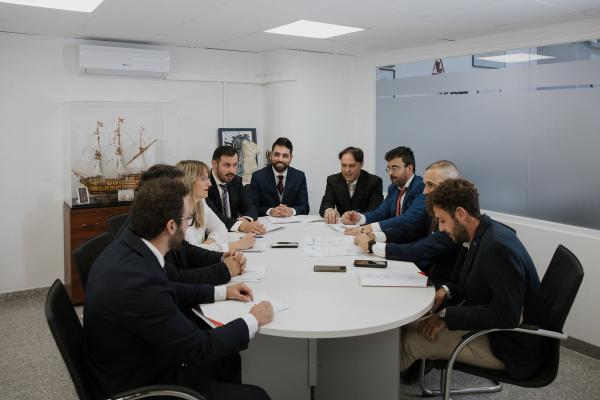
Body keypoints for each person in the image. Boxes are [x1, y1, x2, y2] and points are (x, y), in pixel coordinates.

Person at [84, 178, 273, 399]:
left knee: (228, 358)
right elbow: (199, 348)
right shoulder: (139, 281)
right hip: (141, 383)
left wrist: (221, 292)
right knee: (257, 395)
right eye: (188, 219)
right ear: (171, 226)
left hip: (136, 353)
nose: (188, 225)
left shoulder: (131, 246)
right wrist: (253, 319)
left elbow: (169, 288)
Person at [400, 178, 544, 380]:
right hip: (491, 330)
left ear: (460, 214)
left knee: (410, 342)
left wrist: (446, 317)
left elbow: (507, 315)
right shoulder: (479, 235)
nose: (440, 228)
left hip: (508, 346)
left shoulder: (497, 247)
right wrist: (446, 291)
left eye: (442, 220)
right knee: (405, 327)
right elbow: (468, 281)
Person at [116, 164, 246, 285]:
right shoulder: (142, 251)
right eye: (182, 190)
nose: (186, 194)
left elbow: (186, 250)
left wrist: (221, 258)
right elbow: (176, 280)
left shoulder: (155, 221)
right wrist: (225, 270)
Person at [353, 160, 462, 287]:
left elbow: (418, 250)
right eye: (425, 184)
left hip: (437, 285)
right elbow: (412, 231)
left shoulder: (455, 219)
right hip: (418, 271)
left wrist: (372, 246)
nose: (425, 191)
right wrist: (376, 236)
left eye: (431, 185)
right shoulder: (434, 207)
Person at [342, 146, 428, 244]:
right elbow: (380, 213)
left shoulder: (421, 187)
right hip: (394, 239)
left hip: (414, 244)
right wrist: (359, 218)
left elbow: (408, 218)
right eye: (388, 168)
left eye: (395, 168)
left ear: (409, 168)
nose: (390, 173)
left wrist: (369, 228)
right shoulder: (393, 188)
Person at [177, 160, 256, 252]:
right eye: (203, 179)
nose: (209, 184)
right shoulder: (177, 213)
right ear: (188, 181)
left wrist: (208, 244)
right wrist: (236, 245)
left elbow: (220, 227)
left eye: (208, 179)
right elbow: (190, 253)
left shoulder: (200, 202)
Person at [206, 146, 265, 234]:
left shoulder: (235, 180)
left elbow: (249, 206)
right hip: (213, 235)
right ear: (214, 164)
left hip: (233, 233)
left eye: (235, 165)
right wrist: (241, 225)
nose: (232, 171)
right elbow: (214, 217)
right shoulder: (205, 184)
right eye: (227, 165)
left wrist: (246, 219)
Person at [319, 146, 383, 224]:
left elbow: (375, 211)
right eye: (344, 165)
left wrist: (354, 217)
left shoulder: (374, 181)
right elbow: (326, 204)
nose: (347, 170)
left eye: (352, 166)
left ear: (361, 164)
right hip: (340, 227)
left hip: (363, 228)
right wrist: (329, 210)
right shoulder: (333, 180)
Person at [249, 137, 309, 217]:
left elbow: (305, 207)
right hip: (267, 225)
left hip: (293, 224)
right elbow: (252, 207)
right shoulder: (257, 177)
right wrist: (270, 211)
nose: (280, 159)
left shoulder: (299, 176)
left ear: (291, 158)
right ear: (270, 156)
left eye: (285, 156)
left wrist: (291, 211)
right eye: (277, 154)